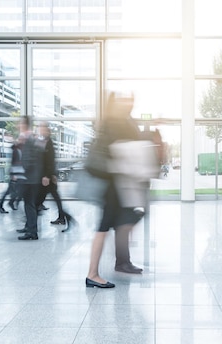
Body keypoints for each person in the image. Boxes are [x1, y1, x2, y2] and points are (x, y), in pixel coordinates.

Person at [86, 93, 151, 288]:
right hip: (114, 186)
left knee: (115, 225)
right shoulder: (116, 123)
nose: (129, 104)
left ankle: (120, 262)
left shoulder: (109, 122)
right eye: (125, 101)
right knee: (105, 228)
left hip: (114, 185)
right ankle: (93, 274)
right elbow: (123, 151)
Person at [34, 123, 75, 231]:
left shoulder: (49, 143)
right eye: (40, 129)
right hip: (48, 177)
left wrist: (47, 176)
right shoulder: (45, 142)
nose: (41, 131)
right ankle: (64, 217)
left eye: (42, 129)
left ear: (47, 131)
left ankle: (31, 223)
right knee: (53, 199)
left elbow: (50, 161)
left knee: (38, 201)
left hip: (47, 179)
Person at [15, 116, 49, 241]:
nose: (18, 125)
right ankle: (29, 228)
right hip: (34, 178)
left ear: (24, 124)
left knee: (29, 205)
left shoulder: (28, 139)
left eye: (19, 123)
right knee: (30, 205)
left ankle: (32, 232)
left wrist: (24, 171)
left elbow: (28, 159)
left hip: (29, 178)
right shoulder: (34, 139)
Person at [0, 133, 25, 213]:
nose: (23, 141)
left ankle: (9, 203)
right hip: (15, 173)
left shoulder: (21, 148)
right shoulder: (16, 149)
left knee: (16, 190)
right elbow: (13, 162)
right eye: (21, 139)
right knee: (10, 191)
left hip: (20, 173)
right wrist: (13, 174)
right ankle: (2, 205)